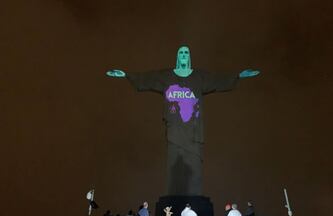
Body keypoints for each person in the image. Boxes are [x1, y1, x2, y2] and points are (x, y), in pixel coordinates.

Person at [106, 46, 260, 196]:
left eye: (187, 52)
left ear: (189, 56)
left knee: (194, 169)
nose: (184, 54)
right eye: (181, 52)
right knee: (174, 169)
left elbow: (217, 80)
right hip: (174, 132)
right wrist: (126, 75)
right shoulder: (167, 76)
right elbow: (148, 79)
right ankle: (173, 196)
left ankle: (194, 197)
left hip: (193, 133)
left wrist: (238, 76)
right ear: (178, 57)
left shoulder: (199, 77)